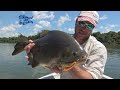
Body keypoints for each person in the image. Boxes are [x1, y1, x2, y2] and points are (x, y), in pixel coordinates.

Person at [24, 11, 107, 79]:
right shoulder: (63, 40)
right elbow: (51, 64)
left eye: (89, 26)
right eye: (82, 23)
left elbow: (92, 77)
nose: (84, 28)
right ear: (76, 22)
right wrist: (35, 57)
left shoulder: (99, 48)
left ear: (93, 28)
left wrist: (69, 61)